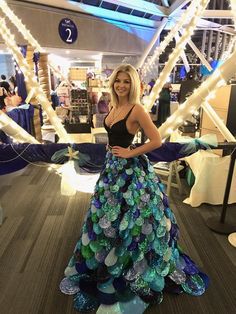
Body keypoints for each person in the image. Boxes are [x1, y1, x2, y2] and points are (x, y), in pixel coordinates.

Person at [60, 64, 208, 312]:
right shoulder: (114, 105)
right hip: (111, 169)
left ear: (133, 84)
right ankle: (108, 253)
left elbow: (156, 140)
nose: (121, 85)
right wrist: (111, 147)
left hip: (131, 172)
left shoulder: (137, 109)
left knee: (132, 216)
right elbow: (114, 133)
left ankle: (130, 261)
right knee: (108, 213)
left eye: (126, 81)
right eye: (118, 81)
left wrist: (131, 152)